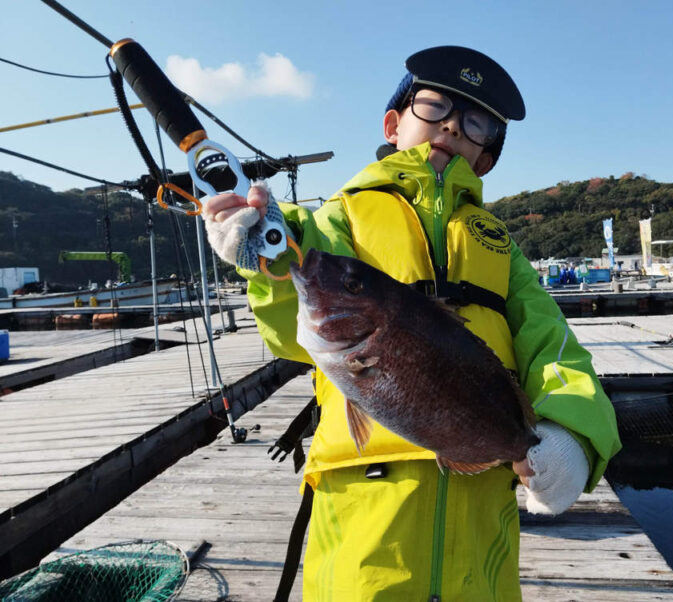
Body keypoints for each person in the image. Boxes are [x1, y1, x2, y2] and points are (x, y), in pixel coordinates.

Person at [203, 45, 621, 601]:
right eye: (435, 106)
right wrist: (260, 248)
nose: (450, 124)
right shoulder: (339, 218)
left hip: (482, 523)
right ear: (393, 124)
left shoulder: (502, 249)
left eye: (475, 122)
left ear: (487, 157)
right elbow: (292, 318)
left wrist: (575, 431)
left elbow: (553, 342)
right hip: (363, 516)